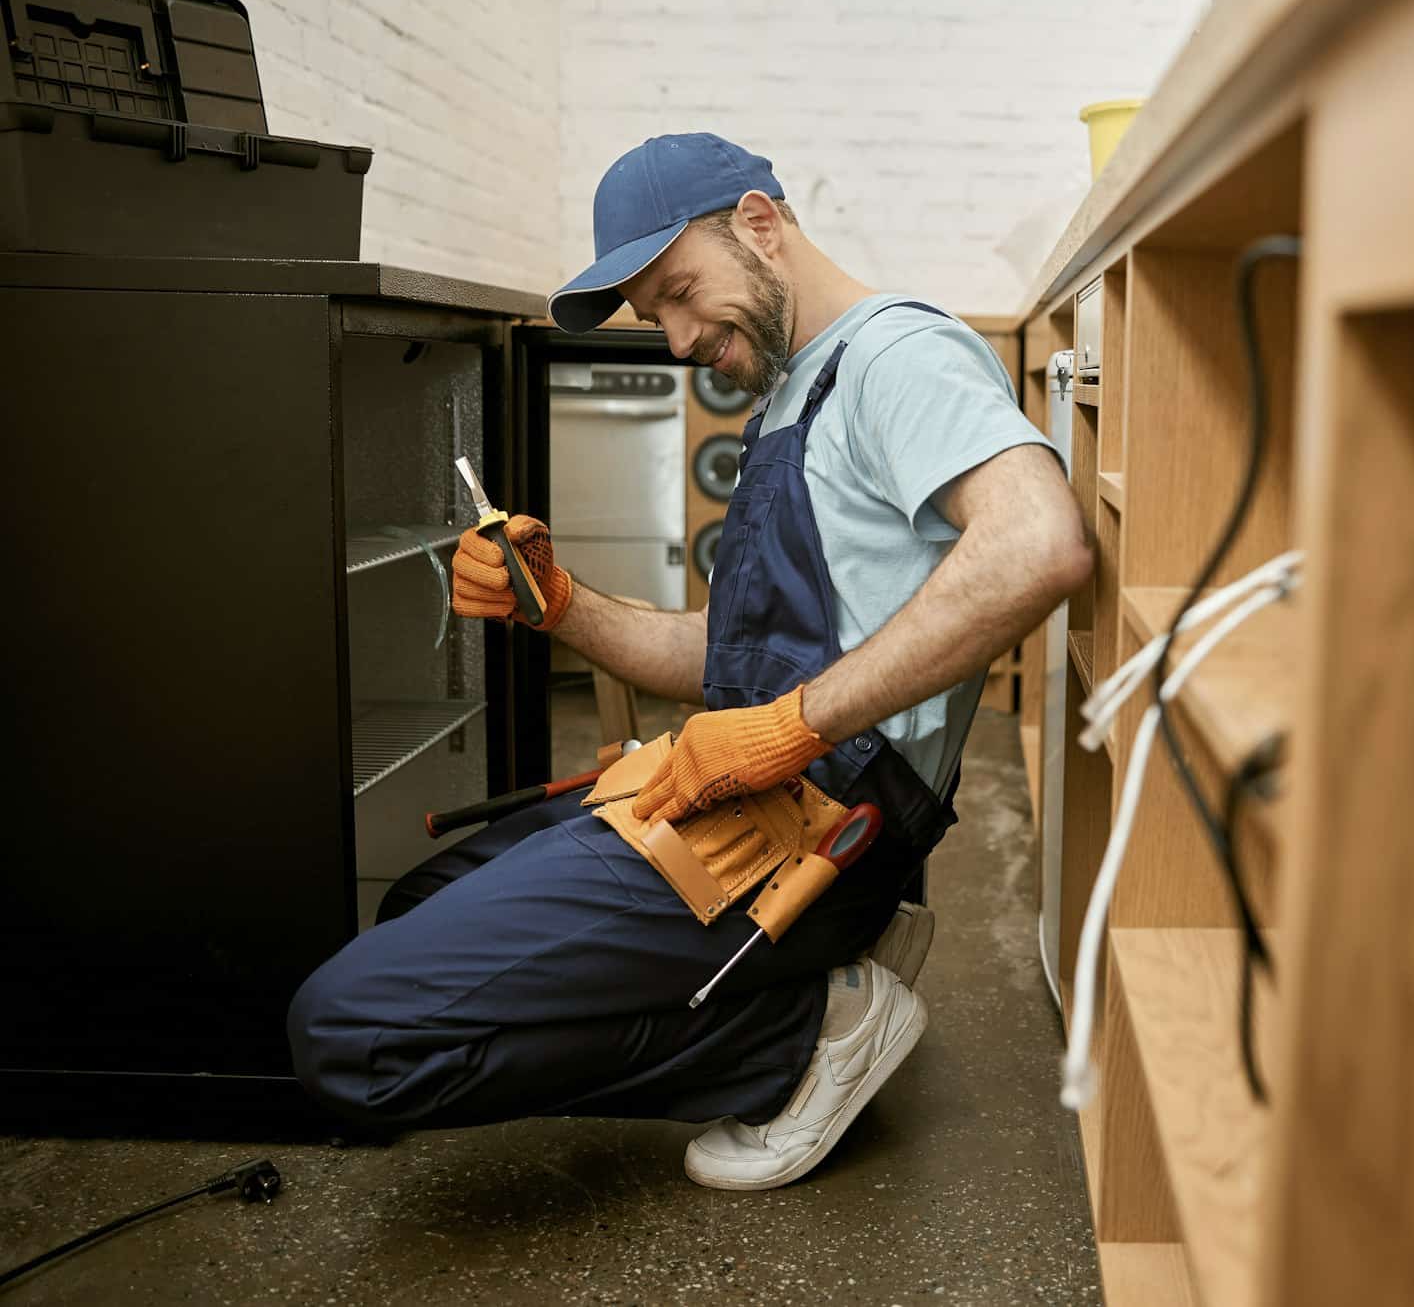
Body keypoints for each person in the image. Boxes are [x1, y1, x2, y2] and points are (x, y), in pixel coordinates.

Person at [286, 133, 1091, 1190]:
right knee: (418, 902)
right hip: (726, 785)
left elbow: (1038, 543)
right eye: (650, 314)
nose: (672, 340)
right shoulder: (792, 394)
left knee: (350, 1037)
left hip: (809, 831)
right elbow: (724, 655)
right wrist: (558, 605)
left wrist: (791, 726)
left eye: (677, 292)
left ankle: (797, 1034)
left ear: (758, 223)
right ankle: (787, 989)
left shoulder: (897, 357)